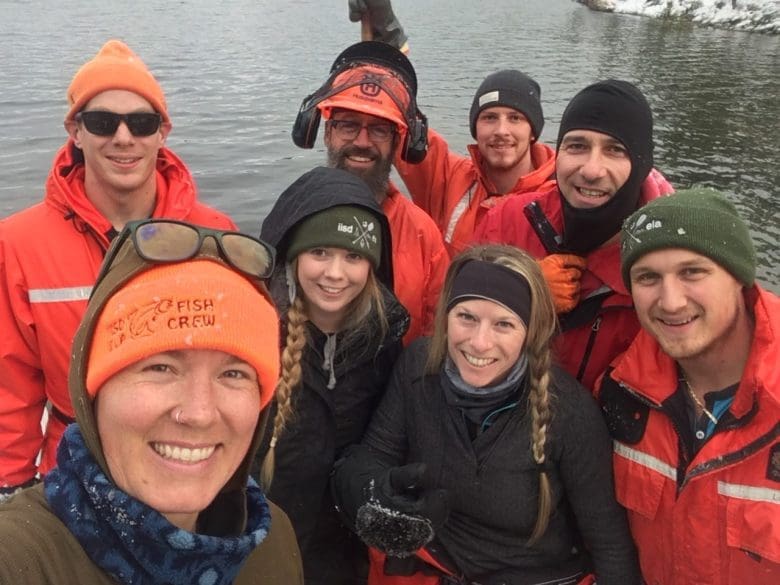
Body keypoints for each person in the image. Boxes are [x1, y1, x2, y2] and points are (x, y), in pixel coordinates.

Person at [0, 219, 303, 584]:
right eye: (161, 368)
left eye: (233, 374)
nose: (199, 413)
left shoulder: (270, 542)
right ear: (92, 392)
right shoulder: (21, 559)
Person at [0, 39, 236, 498]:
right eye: (103, 122)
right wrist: (11, 484)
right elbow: (10, 384)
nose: (123, 138)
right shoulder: (16, 243)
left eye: (142, 123)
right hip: (71, 465)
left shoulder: (216, 234)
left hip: (183, 455)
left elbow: (234, 368)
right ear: (76, 131)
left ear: (162, 133)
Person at [332, 244, 640, 585]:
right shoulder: (419, 367)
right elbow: (371, 457)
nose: (479, 343)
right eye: (466, 317)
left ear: (529, 333)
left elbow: (610, 544)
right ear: (446, 318)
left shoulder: (568, 411)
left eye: (504, 324)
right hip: (437, 569)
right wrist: (378, 493)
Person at [597, 188, 780, 584]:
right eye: (648, 277)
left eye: (692, 272)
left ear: (739, 277)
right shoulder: (618, 394)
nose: (671, 301)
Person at [257, 167, 410, 585]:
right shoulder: (253, 340)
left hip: (347, 557)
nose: (335, 274)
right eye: (320, 252)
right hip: (262, 552)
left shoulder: (384, 342)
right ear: (291, 255)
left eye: (353, 256)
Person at [475, 79, 674, 391]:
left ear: (641, 164)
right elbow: (457, 317)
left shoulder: (669, 259)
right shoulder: (507, 219)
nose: (592, 169)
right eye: (577, 146)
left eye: (615, 150)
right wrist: (525, 291)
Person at [292, 40, 448, 344]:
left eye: (379, 129)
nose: (362, 142)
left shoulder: (423, 235)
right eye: (348, 125)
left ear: (397, 141)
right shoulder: (293, 217)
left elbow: (435, 340)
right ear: (326, 132)